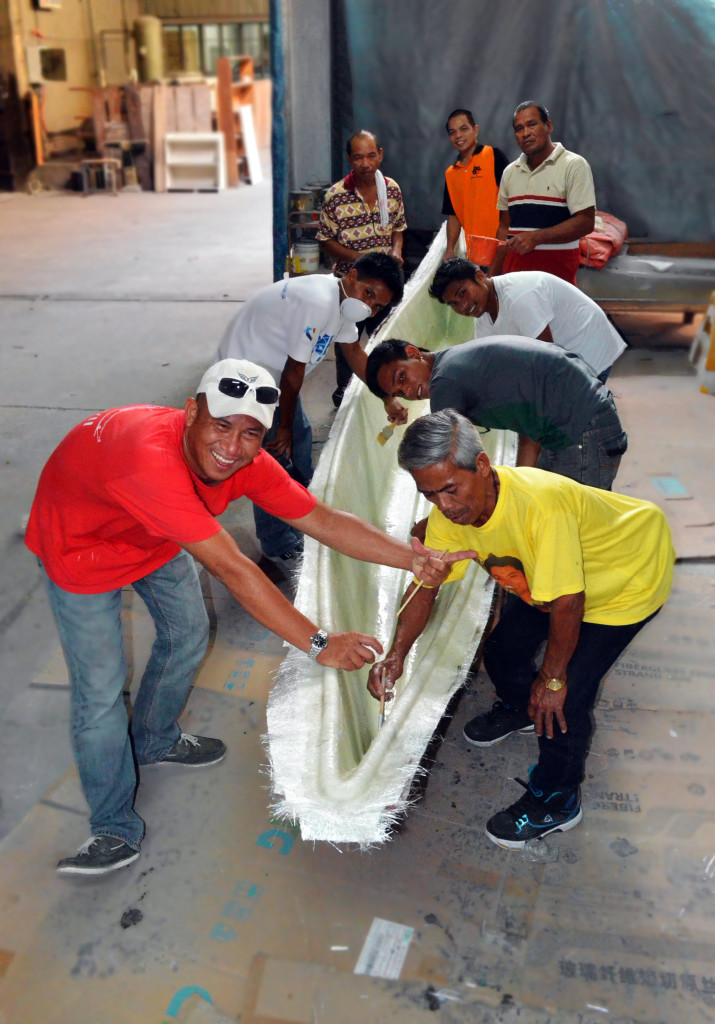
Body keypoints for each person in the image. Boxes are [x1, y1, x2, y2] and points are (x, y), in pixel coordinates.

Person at [26, 358, 463, 878]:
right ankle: (113, 826)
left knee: (187, 635)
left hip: (156, 533)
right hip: (82, 548)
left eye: (250, 433)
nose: (232, 448)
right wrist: (319, 642)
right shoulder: (149, 461)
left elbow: (320, 519)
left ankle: (154, 738)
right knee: (99, 696)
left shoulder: (244, 462)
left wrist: (410, 557)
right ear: (191, 413)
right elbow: (233, 568)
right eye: (221, 425)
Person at [368, 410, 674, 849]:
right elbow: (426, 586)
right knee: (504, 652)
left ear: (482, 466)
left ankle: (558, 798)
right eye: (430, 495)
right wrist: (396, 654)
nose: (445, 507)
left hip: (626, 576)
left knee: (565, 702)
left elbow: (569, 603)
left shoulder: (539, 508)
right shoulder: (450, 514)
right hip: (546, 580)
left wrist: (551, 681)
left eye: (451, 490)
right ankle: (518, 709)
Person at [216, 253, 406, 565]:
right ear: (352, 276)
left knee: (300, 448)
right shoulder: (318, 301)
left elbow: (354, 352)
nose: (368, 306)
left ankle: (298, 519)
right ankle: (277, 542)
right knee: (275, 461)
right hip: (246, 377)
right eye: (368, 293)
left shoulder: (346, 306)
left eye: (377, 306)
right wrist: (284, 428)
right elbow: (294, 374)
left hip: (272, 376)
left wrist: (385, 396)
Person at [365, 337, 628, 489]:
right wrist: (520, 484)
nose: (408, 390)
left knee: (575, 524)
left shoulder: (445, 381)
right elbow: (530, 422)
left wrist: (435, 524)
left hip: (582, 428)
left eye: (402, 376)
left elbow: (447, 462)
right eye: (399, 392)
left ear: (413, 353)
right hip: (587, 416)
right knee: (548, 505)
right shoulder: (459, 361)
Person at [317, 129, 407, 406]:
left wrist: (395, 251)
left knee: (384, 340)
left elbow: (399, 229)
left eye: (371, 156)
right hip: (351, 287)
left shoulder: (391, 189)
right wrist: (360, 259)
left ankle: (385, 389)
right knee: (347, 344)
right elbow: (325, 241)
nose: (365, 164)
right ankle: (345, 391)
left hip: (384, 288)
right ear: (348, 159)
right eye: (358, 158)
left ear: (380, 154)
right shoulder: (335, 196)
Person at [430, 258, 626, 381]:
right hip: (566, 354)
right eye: (454, 304)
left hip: (588, 346)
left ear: (480, 276)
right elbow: (488, 360)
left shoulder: (519, 296)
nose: (462, 306)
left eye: (462, 293)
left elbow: (548, 359)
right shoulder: (481, 313)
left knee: (577, 423)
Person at [492, 101, 596, 286]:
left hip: (556, 286)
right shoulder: (510, 172)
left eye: (532, 124)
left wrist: (536, 238)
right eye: (519, 128)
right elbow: (504, 228)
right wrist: (491, 280)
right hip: (514, 285)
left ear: (548, 126)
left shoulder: (573, 165)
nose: (525, 133)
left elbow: (586, 222)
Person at [441, 108, 508, 263]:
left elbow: (513, 198)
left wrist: (504, 238)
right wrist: (450, 248)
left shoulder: (492, 155)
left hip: (503, 249)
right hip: (476, 254)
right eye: (453, 132)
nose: (458, 136)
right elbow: (454, 215)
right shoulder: (451, 173)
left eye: (464, 129)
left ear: (475, 130)